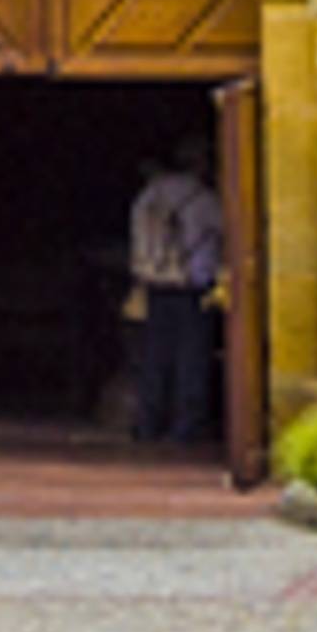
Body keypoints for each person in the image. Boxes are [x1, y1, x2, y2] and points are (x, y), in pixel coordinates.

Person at [124, 141, 230, 450]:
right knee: (192, 359)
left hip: (155, 283)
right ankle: (186, 427)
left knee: (154, 358)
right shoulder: (203, 199)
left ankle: (148, 424)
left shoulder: (148, 197)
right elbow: (229, 231)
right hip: (192, 286)